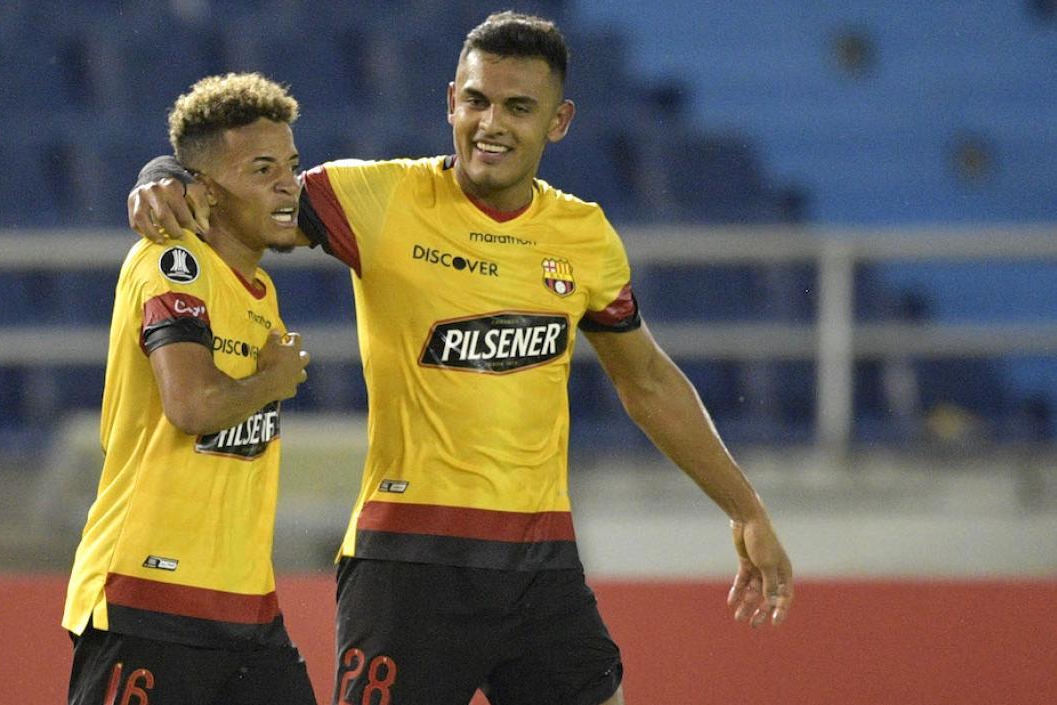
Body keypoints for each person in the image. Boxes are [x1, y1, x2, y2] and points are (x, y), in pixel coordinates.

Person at [127, 13, 794, 705]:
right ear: (451, 101)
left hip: (542, 567)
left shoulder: (584, 234)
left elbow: (648, 380)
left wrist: (744, 510)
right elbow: (241, 196)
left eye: (518, 107)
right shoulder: (376, 199)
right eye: (476, 101)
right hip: (408, 567)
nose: (491, 123)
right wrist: (165, 172)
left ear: (559, 121)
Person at [63, 72, 316, 705]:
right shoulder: (170, 260)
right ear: (203, 190)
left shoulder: (261, 294)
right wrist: (270, 382)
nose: (288, 184)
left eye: (292, 164)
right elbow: (194, 405)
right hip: (147, 596)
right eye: (263, 169)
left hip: (247, 607)